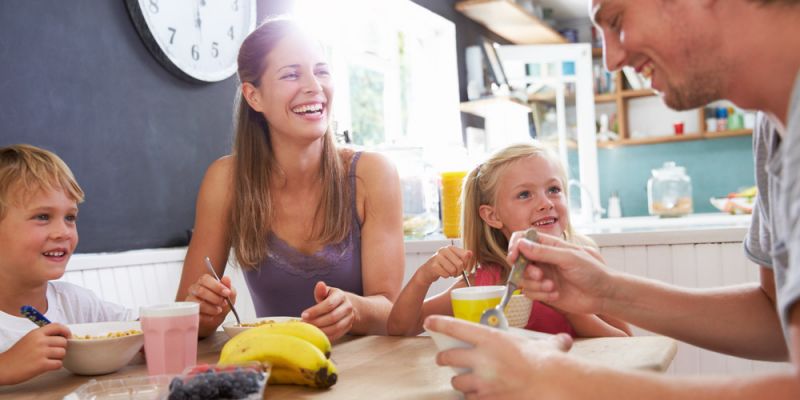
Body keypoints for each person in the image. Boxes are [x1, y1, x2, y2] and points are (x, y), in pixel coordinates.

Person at [426, 0, 800, 398]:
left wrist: (561, 381)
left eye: (617, 21)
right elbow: (772, 315)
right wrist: (605, 291)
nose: (612, 59)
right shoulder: (774, 129)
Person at [176, 16, 405, 340]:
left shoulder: (372, 175)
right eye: (291, 74)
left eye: (321, 71)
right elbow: (185, 320)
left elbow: (393, 313)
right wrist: (205, 312)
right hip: (277, 370)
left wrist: (353, 308)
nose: (314, 86)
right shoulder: (225, 181)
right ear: (254, 97)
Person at [388, 143, 630, 337]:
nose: (546, 203)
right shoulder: (484, 284)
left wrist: (566, 306)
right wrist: (423, 277)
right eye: (525, 194)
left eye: (554, 189)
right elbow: (401, 329)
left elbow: (626, 344)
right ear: (492, 216)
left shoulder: (586, 265)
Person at [0, 144, 133, 386]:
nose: (63, 232)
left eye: (70, 218)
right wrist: (5, 366)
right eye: (43, 217)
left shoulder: (77, 304)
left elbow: (138, 329)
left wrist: (202, 316)